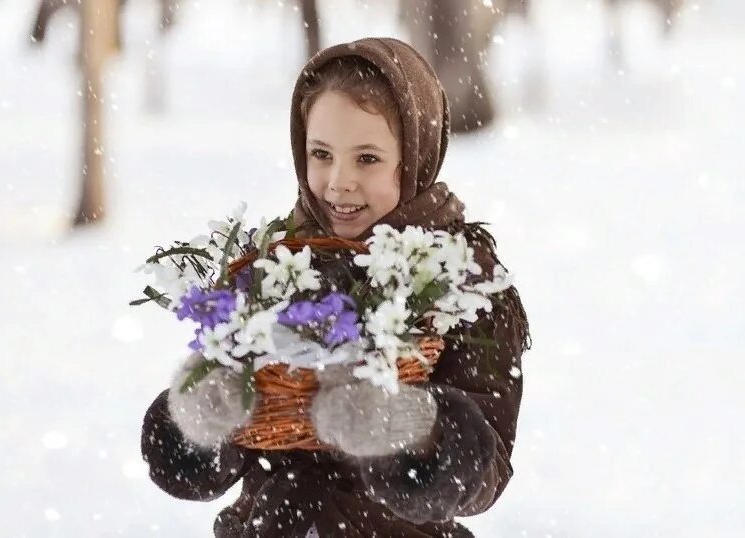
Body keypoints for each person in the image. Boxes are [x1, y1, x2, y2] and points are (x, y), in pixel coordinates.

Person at [141, 37, 530, 537]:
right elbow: (213, 460)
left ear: (414, 153)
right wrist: (199, 420)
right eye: (321, 153)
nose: (338, 182)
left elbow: (486, 472)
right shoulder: (277, 262)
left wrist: (412, 426)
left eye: (367, 158)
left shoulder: (461, 277)